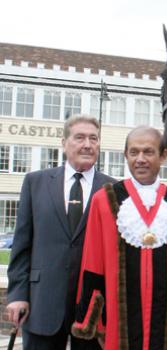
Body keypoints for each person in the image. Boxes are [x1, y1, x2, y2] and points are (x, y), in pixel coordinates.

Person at [71, 126, 167, 349]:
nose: (140, 159)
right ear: (125, 156)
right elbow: (93, 263)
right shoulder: (104, 201)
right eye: (134, 152)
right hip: (121, 321)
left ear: (163, 156)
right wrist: (93, 319)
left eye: (148, 152)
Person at [6, 115, 114, 349]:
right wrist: (17, 295)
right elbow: (22, 245)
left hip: (94, 311)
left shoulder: (113, 190)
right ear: (64, 143)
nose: (87, 144)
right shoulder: (35, 182)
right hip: (42, 303)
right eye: (79, 137)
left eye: (93, 138)